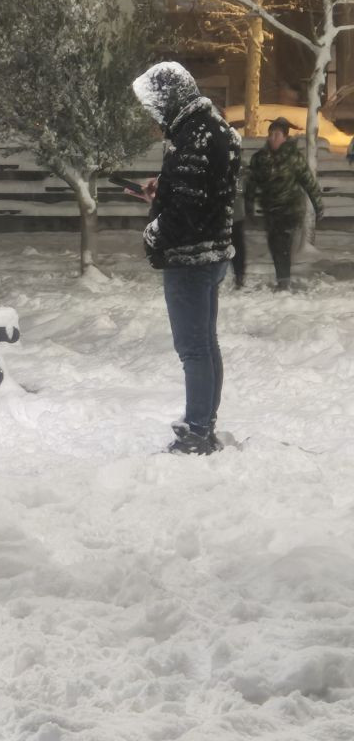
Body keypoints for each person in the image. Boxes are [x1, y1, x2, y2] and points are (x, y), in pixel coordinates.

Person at [131, 62, 241, 456]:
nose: (153, 114)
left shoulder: (193, 134)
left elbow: (186, 213)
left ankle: (197, 432)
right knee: (205, 345)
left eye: (153, 105)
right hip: (211, 253)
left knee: (194, 349)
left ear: (168, 97)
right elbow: (203, 191)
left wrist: (152, 234)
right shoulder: (212, 126)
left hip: (191, 259)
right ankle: (202, 422)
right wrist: (161, 192)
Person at [243, 116, 323, 292]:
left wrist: (318, 206)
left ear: (285, 137)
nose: (272, 137)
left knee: (282, 243)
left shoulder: (294, 158)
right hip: (270, 209)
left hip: (290, 208)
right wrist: (248, 206)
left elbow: (309, 182)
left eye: (277, 134)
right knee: (274, 244)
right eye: (270, 134)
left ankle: (283, 282)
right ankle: (283, 278)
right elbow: (251, 183)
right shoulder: (260, 158)